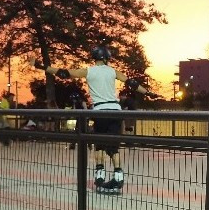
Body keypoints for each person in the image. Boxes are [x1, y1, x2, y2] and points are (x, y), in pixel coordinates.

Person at [28, 45, 155, 193]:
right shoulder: (113, 71)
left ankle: (100, 175)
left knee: (99, 145)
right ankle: (118, 176)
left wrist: (40, 66)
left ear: (95, 57)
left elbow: (64, 73)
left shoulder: (88, 71)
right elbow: (131, 83)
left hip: (101, 112)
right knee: (114, 147)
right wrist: (148, 93)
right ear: (107, 57)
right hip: (115, 111)